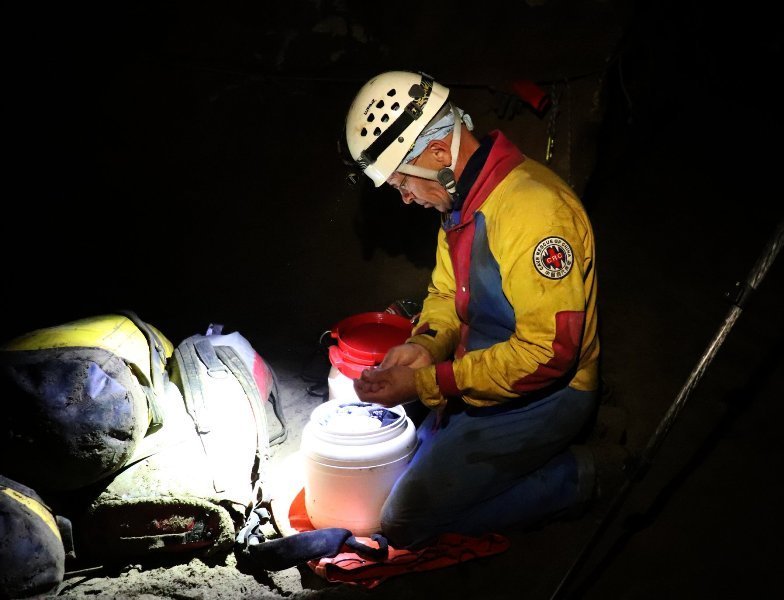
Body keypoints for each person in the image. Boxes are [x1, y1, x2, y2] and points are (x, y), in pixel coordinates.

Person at [343, 70, 608, 549]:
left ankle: (579, 474)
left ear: (438, 153)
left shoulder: (534, 212)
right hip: (482, 375)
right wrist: (426, 346)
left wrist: (428, 383)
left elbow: (548, 355)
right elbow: (445, 293)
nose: (406, 199)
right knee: (401, 474)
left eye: (402, 183)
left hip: (548, 394)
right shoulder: (461, 201)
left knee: (404, 522)